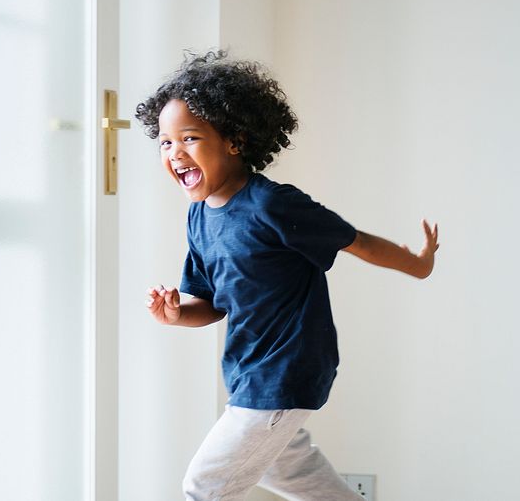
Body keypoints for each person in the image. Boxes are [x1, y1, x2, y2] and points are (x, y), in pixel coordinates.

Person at [136, 51, 439, 501]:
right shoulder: (200, 217)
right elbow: (211, 305)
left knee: (205, 485)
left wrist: (418, 263)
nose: (174, 152)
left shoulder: (272, 205)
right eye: (164, 141)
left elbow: (354, 240)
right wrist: (176, 314)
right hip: (247, 374)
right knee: (292, 476)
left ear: (235, 141)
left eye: (190, 138)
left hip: (283, 372)